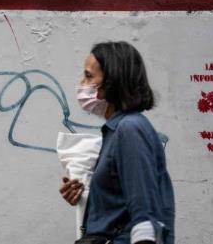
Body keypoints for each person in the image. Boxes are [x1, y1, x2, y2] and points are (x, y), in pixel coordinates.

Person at [59, 41, 175, 244]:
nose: (81, 83)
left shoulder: (129, 129)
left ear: (110, 82)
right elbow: (120, 206)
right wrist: (87, 196)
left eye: (88, 76)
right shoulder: (116, 131)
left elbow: (143, 213)